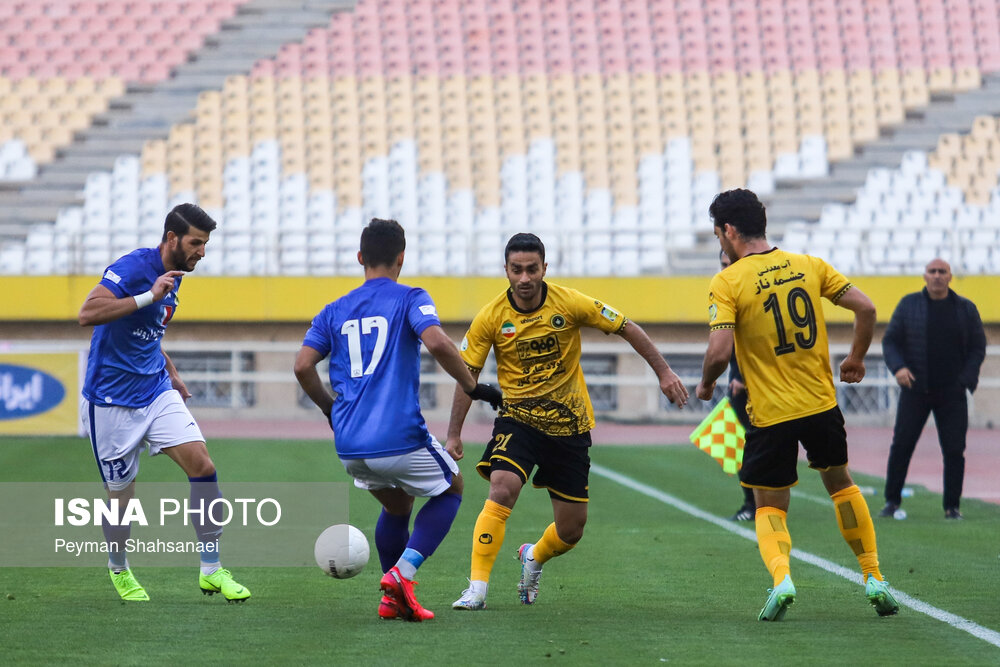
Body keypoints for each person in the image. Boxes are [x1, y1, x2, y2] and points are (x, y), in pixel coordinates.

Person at [449, 233, 689, 611]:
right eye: (517, 270)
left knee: (571, 530)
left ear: (544, 268)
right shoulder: (491, 317)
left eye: (532, 269)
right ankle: (477, 588)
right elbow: (467, 376)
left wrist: (664, 372)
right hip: (518, 420)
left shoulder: (570, 302)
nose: (524, 278)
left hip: (569, 426)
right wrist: (453, 434)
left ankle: (534, 556)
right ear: (506, 270)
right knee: (502, 487)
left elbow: (626, 326)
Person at [695, 189, 898, 621]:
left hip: (770, 414)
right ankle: (874, 576)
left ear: (728, 231)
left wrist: (708, 383)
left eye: (717, 235)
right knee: (841, 485)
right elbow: (866, 308)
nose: (720, 242)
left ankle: (782, 578)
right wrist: (856, 357)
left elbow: (718, 352)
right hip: (821, 404)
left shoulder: (727, 280)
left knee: (769, 504)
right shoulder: (809, 264)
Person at [293, 218, 503, 623]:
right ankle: (401, 575)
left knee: (397, 504)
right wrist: (472, 386)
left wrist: (329, 409)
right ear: (401, 258)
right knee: (452, 488)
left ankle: (392, 601)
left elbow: (302, 366)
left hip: (350, 445)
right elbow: (437, 341)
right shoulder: (410, 297)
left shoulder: (333, 310)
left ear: (360, 257)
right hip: (398, 435)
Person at [79, 203, 250, 603]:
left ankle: (211, 569)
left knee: (203, 467)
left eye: (205, 244)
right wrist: (146, 296)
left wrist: (170, 371)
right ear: (172, 238)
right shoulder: (134, 268)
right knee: (122, 499)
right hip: (110, 400)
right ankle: (118, 567)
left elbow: (149, 332)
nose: (201, 252)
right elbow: (87, 313)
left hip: (155, 390)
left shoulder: (176, 275)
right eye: (196, 243)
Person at [879, 258, 986, 520]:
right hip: (915, 390)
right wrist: (898, 368)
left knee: (954, 450)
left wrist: (965, 380)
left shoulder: (966, 309)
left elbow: (978, 347)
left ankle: (952, 507)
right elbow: (890, 341)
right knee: (902, 445)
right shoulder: (909, 305)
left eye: (942, 271)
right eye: (932, 271)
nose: (937, 275)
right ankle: (891, 502)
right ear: (925, 276)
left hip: (952, 392)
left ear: (950, 277)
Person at [718, 249, 756, 521]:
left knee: (756, 446)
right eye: (723, 264)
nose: (726, 269)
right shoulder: (725, 291)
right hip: (738, 384)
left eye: (730, 263)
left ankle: (756, 504)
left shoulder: (752, 292)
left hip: (760, 385)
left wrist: (743, 377)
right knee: (735, 443)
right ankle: (751, 501)